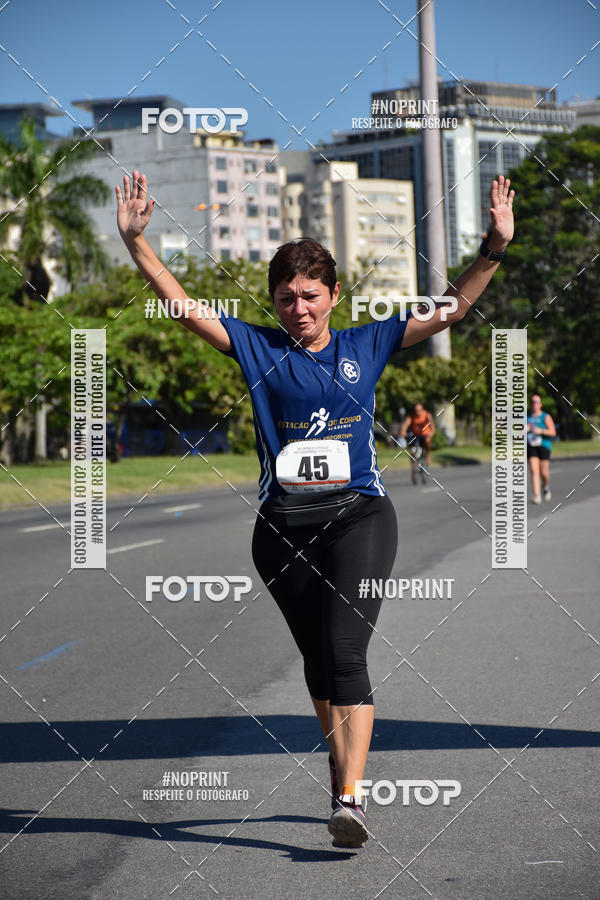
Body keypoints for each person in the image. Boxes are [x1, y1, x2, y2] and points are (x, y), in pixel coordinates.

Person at [116, 169, 515, 848]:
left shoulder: (368, 343)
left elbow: (451, 308)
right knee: (317, 663)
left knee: (345, 653)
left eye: (309, 295)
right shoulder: (256, 347)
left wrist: (494, 249)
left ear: (333, 296)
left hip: (359, 515)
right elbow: (182, 306)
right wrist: (138, 245)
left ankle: (351, 800)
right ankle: (341, 767)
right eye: (285, 298)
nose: (297, 307)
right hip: (281, 530)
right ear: (273, 303)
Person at [527, 393, 556, 504]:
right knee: (534, 471)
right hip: (531, 445)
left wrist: (541, 431)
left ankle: (545, 486)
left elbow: (553, 432)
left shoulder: (545, 416)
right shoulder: (526, 416)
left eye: (536, 402)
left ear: (540, 404)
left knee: (543, 472)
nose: (534, 404)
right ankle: (537, 495)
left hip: (544, 445)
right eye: (532, 402)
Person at [400, 402, 435, 482]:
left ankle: (428, 455)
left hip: (425, 434)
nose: (418, 412)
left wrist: (431, 434)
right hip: (416, 435)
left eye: (419, 410)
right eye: (416, 410)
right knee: (412, 450)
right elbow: (405, 424)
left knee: (427, 441)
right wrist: (403, 431)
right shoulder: (412, 415)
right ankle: (413, 468)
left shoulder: (427, 414)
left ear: (422, 409)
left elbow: (432, 426)